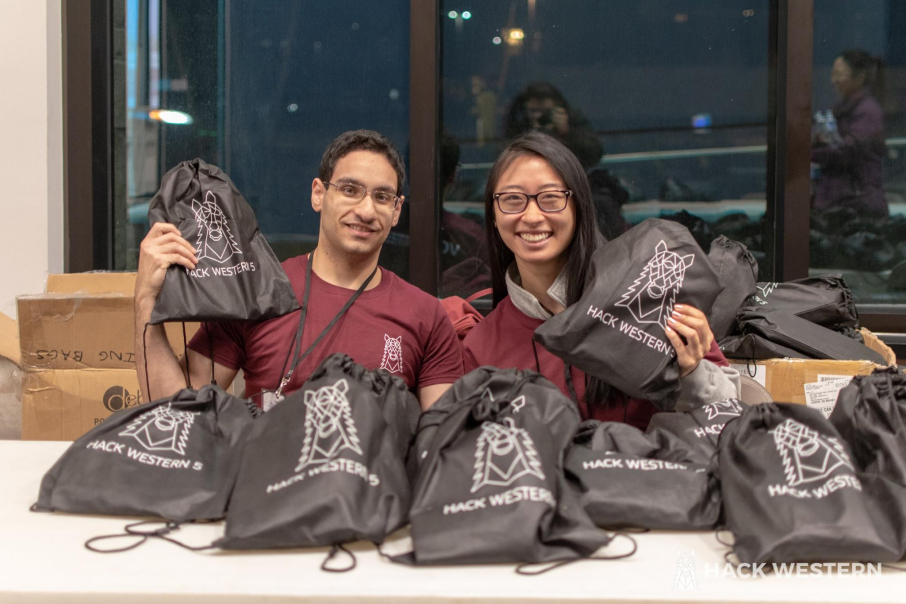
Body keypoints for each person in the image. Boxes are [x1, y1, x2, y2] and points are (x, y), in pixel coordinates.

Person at [135, 130, 464, 411]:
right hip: (270, 479)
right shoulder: (256, 292)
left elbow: (440, 445)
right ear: (318, 194)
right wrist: (145, 299)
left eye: (382, 196)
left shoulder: (425, 315)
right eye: (350, 190)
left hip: (378, 483)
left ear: (396, 210)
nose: (366, 210)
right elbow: (176, 416)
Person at [461, 132, 739, 429]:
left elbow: (730, 414)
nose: (531, 216)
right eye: (513, 199)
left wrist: (691, 371)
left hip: (650, 473)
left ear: (578, 207)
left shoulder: (648, 291)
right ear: (493, 214)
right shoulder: (481, 346)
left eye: (550, 198)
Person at [812, 49, 888, 217]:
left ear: (859, 76)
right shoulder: (841, 110)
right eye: (833, 74)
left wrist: (809, 153)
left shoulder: (868, 111)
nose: (834, 81)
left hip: (857, 205)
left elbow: (847, 151)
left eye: (839, 74)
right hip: (839, 202)